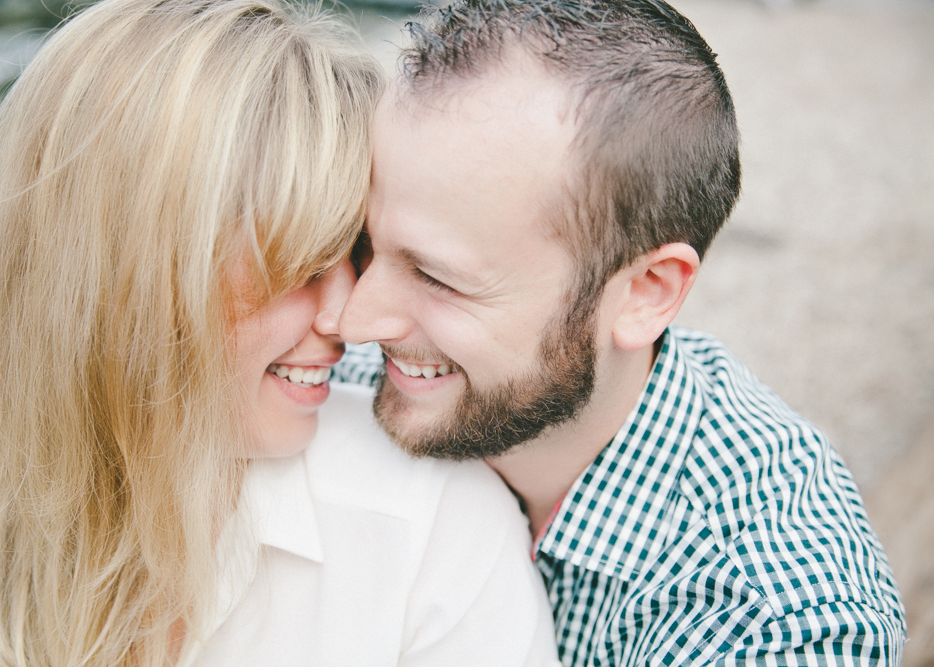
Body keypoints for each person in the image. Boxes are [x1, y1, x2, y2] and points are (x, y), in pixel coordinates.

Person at [0, 1, 559, 665]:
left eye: (355, 251)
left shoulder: (430, 525)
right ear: (129, 274)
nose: (348, 319)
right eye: (295, 265)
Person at [335, 0, 907, 665]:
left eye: (439, 279)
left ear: (645, 293)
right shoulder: (343, 375)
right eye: (361, 247)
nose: (353, 322)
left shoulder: (772, 621)